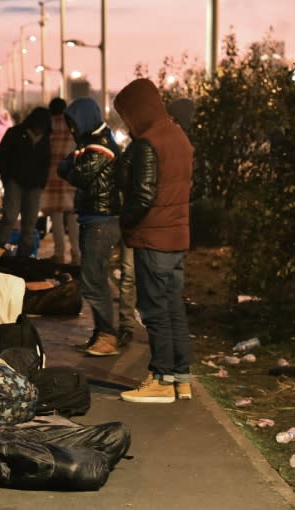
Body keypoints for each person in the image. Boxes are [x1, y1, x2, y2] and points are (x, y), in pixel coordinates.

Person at [113, 78, 194, 403]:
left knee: (154, 310)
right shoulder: (178, 136)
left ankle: (161, 379)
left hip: (153, 236)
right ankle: (180, 377)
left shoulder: (149, 143)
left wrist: (125, 222)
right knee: (174, 308)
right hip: (176, 236)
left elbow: (143, 195)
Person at [60, 97, 121, 356]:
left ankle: (107, 336)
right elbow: (65, 167)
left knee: (93, 279)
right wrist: (73, 161)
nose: (72, 130)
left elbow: (77, 174)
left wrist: (73, 162)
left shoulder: (100, 146)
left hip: (101, 218)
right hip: (92, 217)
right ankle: (101, 333)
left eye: (74, 124)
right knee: (93, 277)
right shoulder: (89, 144)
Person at [0, 107, 52, 258]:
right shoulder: (15, 133)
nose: (40, 130)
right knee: (9, 218)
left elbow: (47, 163)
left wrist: (41, 183)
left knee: (29, 224)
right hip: (15, 182)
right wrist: (7, 178)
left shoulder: (46, 138)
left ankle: (24, 258)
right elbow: (1, 156)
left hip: (35, 186)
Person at [41, 97, 80, 265]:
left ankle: (59, 255)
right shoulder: (73, 126)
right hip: (71, 177)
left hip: (52, 177)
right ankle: (77, 255)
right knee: (73, 219)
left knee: (56, 219)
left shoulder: (47, 126)